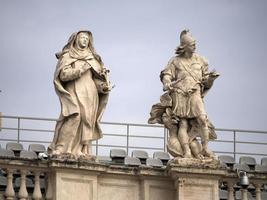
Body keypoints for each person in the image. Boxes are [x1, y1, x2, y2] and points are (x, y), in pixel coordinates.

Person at [149, 30, 219, 159]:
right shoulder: (175, 61)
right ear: (184, 46)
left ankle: (205, 149)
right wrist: (167, 82)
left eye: (195, 43)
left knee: (203, 119)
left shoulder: (202, 61)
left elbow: (206, 83)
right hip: (180, 93)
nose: (195, 46)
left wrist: (211, 79)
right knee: (183, 124)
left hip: (195, 93)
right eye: (192, 44)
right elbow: (167, 75)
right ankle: (186, 151)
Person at [48, 31, 112, 158]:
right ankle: (62, 148)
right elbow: (63, 75)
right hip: (73, 89)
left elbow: (97, 79)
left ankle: (81, 151)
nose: (84, 40)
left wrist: (103, 87)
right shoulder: (67, 55)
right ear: (76, 39)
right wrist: (79, 70)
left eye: (87, 38)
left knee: (87, 120)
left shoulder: (93, 58)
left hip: (90, 93)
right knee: (74, 116)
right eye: (82, 37)